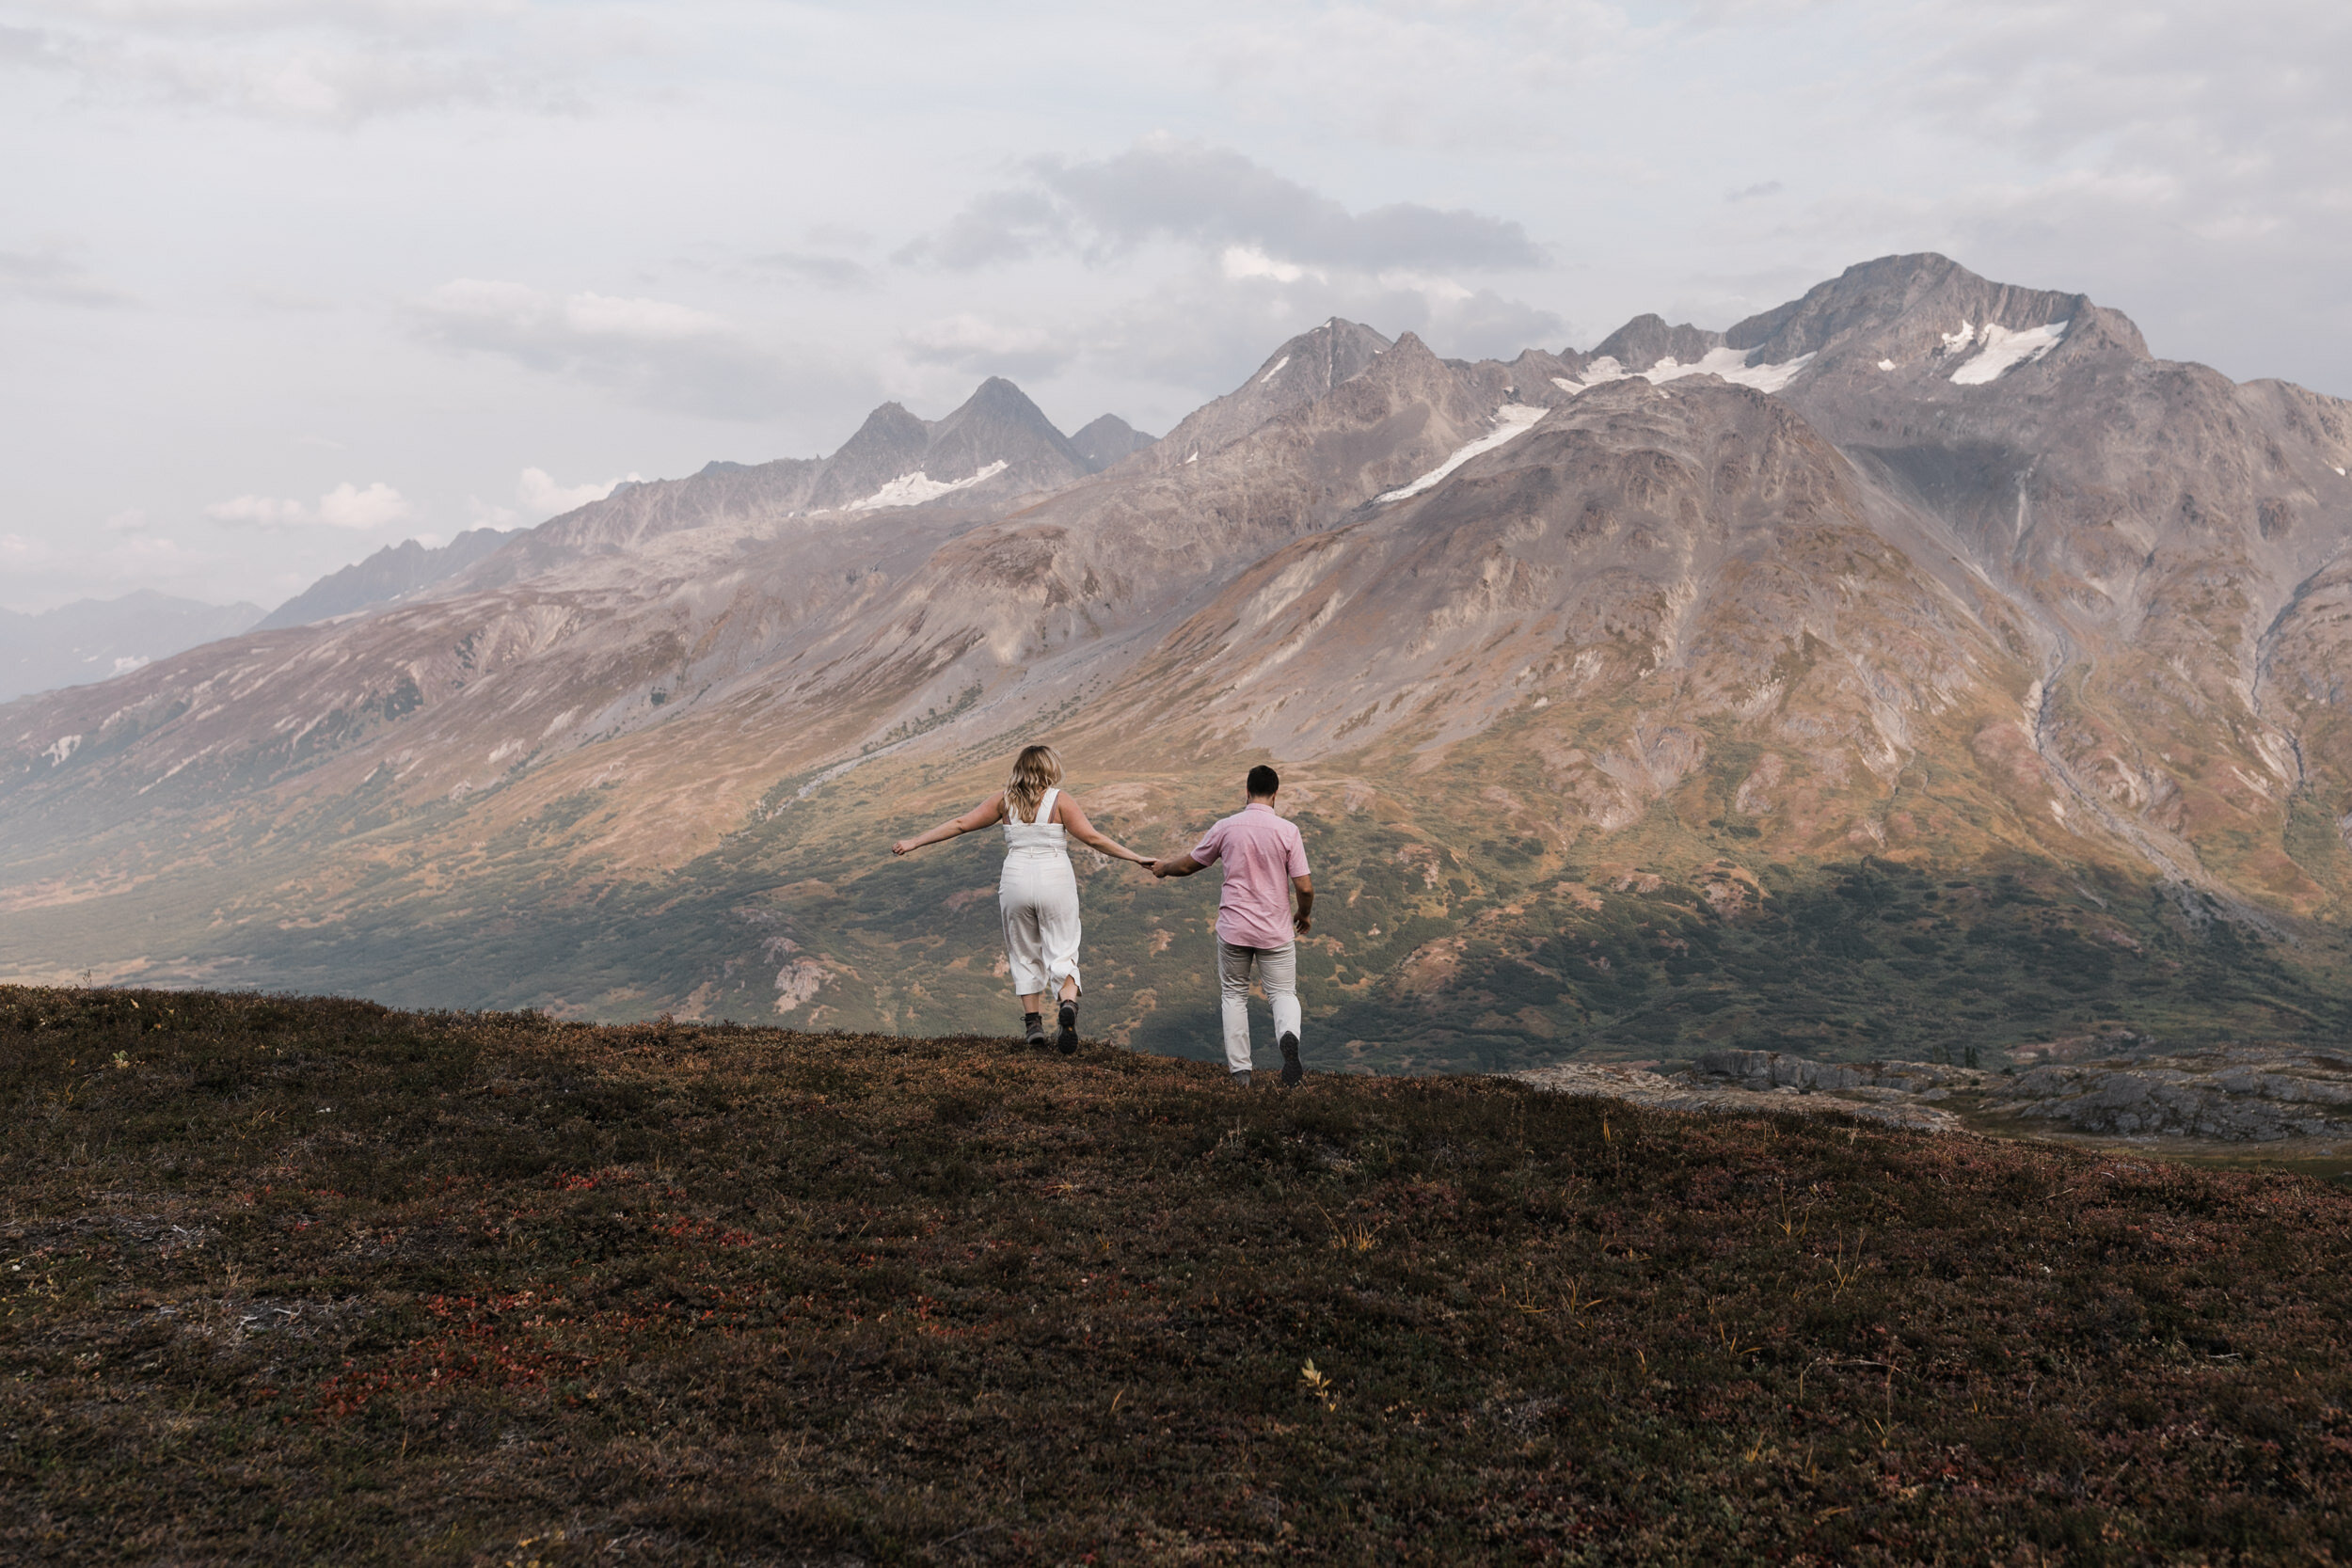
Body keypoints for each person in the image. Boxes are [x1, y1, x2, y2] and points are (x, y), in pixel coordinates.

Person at [891, 743, 1153, 1053]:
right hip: (1055, 879)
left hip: (1015, 880)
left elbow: (961, 824)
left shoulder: (1004, 801)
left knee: (1023, 950)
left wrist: (914, 842)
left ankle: (1033, 1025)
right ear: (1049, 768)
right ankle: (1067, 1005)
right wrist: (1136, 858)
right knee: (1062, 949)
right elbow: (1094, 838)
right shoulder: (1060, 801)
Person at [1152, 764, 1313, 1086]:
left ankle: (1241, 1073)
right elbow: (1305, 887)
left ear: (1247, 791)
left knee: (1235, 996)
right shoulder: (1287, 831)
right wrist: (1304, 914)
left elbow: (1189, 865)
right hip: (1274, 930)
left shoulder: (1226, 827)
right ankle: (1288, 1038)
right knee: (1282, 992)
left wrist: (1163, 868)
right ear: (1276, 794)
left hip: (1234, 928)